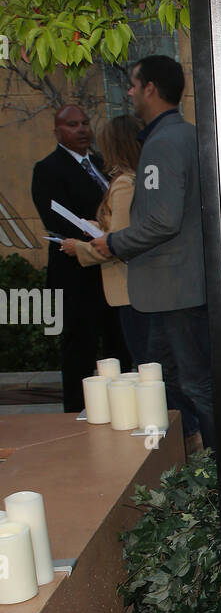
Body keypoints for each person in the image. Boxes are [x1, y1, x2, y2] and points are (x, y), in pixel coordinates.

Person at [91, 55, 213, 450]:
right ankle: (202, 463)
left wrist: (112, 243)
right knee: (170, 380)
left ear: (150, 89)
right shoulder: (187, 135)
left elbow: (162, 221)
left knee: (193, 384)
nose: (128, 93)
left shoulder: (163, 143)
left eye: (132, 84)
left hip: (174, 290)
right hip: (177, 288)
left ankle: (219, 469)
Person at [30, 104, 130, 411]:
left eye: (85, 122)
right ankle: (74, 413)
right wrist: (100, 235)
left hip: (110, 270)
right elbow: (54, 219)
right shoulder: (48, 169)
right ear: (58, 132)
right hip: (74, 271)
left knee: (119, 344)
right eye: (73, 125)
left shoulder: (103, 164)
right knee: (79, 348)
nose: (82, 129)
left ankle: (124, 406)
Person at [60, 114, 142, 362]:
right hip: (133, 288)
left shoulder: (125, 183)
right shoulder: (135, 178)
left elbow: (118, 242)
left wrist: (80, 248)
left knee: (142, 359)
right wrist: (100, 226)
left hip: (128, 288)